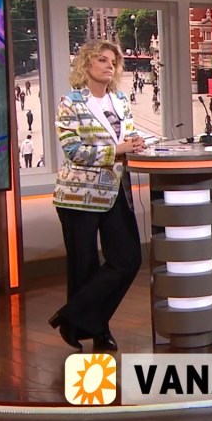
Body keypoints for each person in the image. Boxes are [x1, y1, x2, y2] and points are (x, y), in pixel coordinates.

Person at [48, 40, 146, 353]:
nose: (109, 66)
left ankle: (70, 315)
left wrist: (135, 142)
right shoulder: (71, 102)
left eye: (113, 62)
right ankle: (98, 331)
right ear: (87, 63)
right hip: (78, 196)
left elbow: (126, 136)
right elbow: (73, 150)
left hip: (116, 190)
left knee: (128, 259)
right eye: (102, 60)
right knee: (84, 265)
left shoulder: (120, 100)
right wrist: (117, 150)